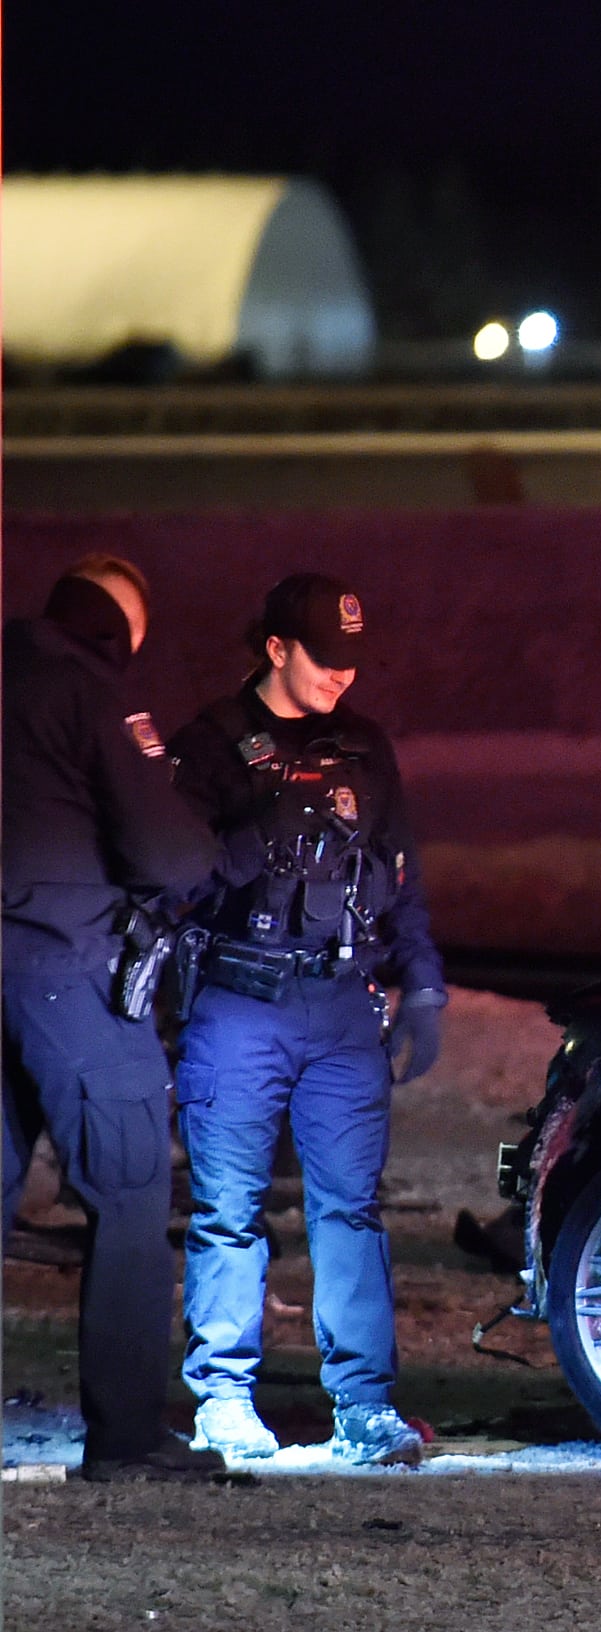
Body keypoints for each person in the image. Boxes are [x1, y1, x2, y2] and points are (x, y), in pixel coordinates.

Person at [167, 575, 446, 1467]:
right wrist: (252, 838)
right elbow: (170, 880)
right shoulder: (211, 745)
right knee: (228, 1209)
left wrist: (424, 985)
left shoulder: (363, 747)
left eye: (352, 662)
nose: (341, 677)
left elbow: (400, 875)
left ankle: (363, 1406)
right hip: (239, 1005)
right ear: (276, 648)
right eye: (325, 659)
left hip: (340, 1007)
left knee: (350, 1211)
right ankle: (223, 1400)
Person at [3, 554, 231, 1480]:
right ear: (120, 631)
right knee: (131, 1191)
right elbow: (167, 853)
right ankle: (127, 1436)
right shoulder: (92, 691)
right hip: (68, 968)